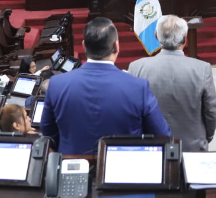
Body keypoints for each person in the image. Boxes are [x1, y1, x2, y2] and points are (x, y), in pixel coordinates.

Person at [41, 17, 170, 155]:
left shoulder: (56, 85)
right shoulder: (138, 87)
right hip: (123, 169)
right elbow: (162, 135)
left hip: (71, 167)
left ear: (84, 46)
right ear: (116, 46)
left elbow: (49, 134)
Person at [127, 15, 216, 152]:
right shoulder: (202, 69)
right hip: (192, 146)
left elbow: (131, 111)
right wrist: (206, 136)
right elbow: (211, 111)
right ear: (185, 39)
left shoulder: (136, 67)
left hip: (150, 148)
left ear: (156, 36)